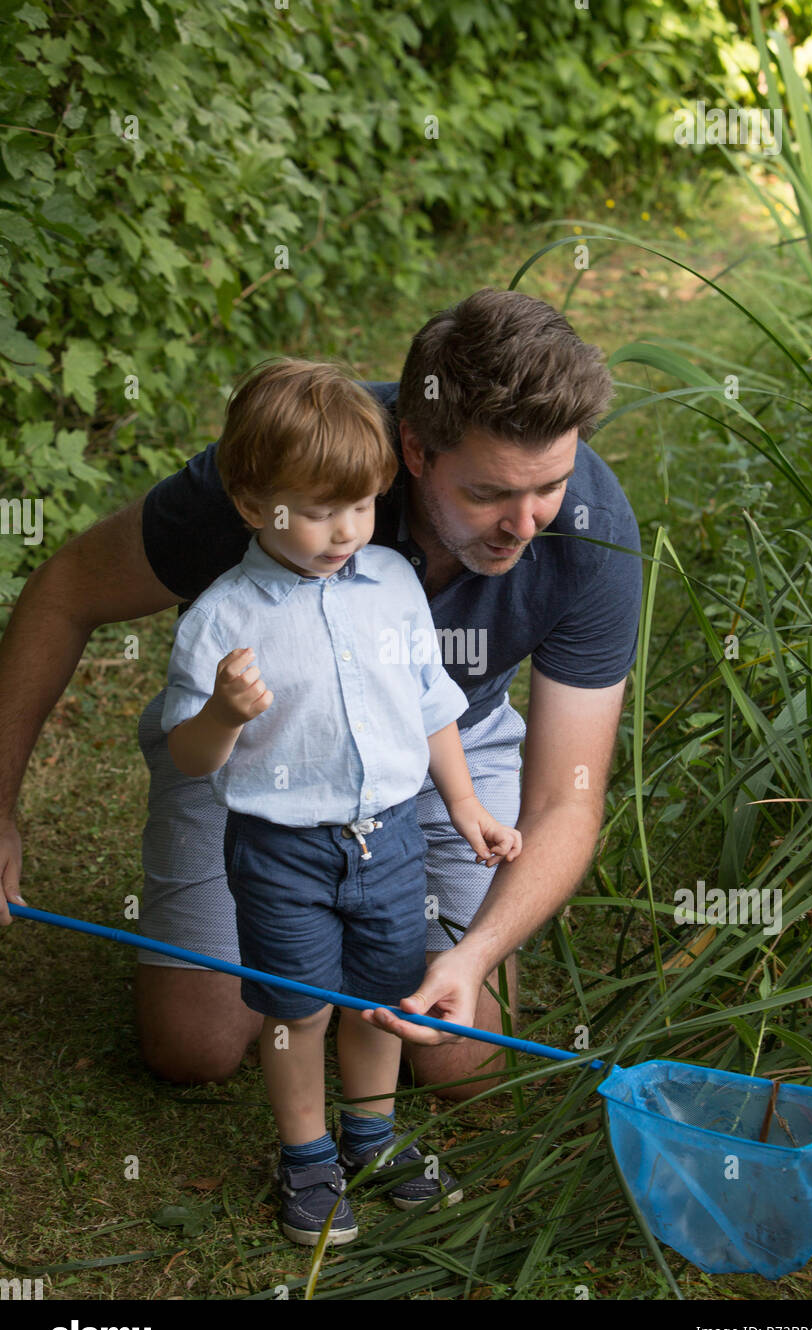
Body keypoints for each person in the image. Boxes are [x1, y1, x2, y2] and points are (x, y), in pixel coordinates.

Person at [0, 287, 643, 1098]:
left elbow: (564, 802)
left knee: (462, 1063)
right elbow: (66, 592)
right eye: (487, 494)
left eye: (547, 483)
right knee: (191, 1048)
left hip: (444, 744)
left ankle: (364, 953)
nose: (525, 523)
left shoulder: (592, 531)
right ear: (412, 448)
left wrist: (474, 954)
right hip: (260, 747)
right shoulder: (296, 464)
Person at [161, 357, 522, 1243]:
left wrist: (466, 805)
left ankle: (373, 1134)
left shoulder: (392, 582)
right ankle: (309, 1157)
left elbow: (431, 707)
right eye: (317, 511)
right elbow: (191, 756)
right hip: (282, 848)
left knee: (385, 995)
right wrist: (221, 712)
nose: (342, 532)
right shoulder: (223, 617)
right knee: (296, 1004)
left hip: (391, 837)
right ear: (253, 504)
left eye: (360, 506)